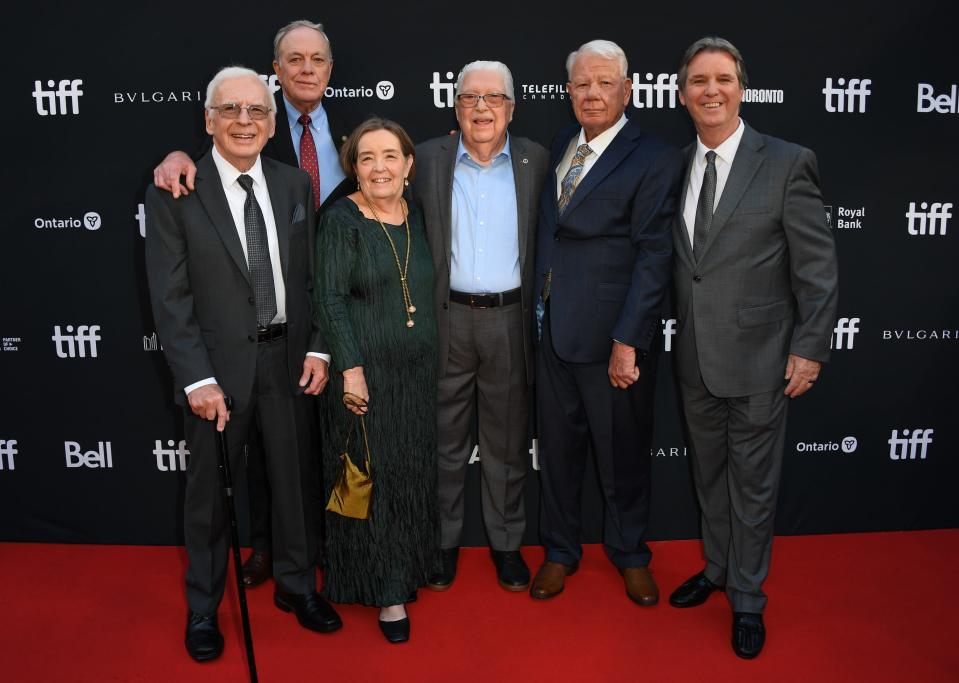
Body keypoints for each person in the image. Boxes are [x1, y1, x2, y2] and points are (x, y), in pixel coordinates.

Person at [144, 67, 342, 663]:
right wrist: (196, 378)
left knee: (294, 484)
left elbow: (310, 280)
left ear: (273, 122)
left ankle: (297, 587)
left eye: (257, 112)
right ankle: (203, 608)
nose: (245, 122)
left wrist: (318, 345)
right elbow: (169, 297)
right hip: (216, 371)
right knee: (207, 498)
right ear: (209, 119)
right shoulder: (177, 188)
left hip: (288, 359)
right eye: (231, 110)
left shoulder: (292, 185)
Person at [667, 37, 838, 659]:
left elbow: (817, 269)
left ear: (742, 88)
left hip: (764, 359)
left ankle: (747, 597)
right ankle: (716, 569)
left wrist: (810, 347)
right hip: (694, 359)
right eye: (699, 82)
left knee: (754, 486)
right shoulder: (676, 164)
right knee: (709, 478)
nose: (711, 91)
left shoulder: (788, 162)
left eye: (723, 80)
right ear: (682, 94)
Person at [531, 40, 682, 605]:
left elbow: (653, 256)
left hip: (611, 339)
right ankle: (560, 551)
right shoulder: (562, 144)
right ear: (568, 92)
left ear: (627, 89)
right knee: (559, 454)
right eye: (581, 85)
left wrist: (628, 341)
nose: (591, 94)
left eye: (603, 83)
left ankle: (630, 553)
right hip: (550, 332)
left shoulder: (655, 157)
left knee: (621, 454)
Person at [413, 61, 548, 592]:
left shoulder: (537, 160)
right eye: (470, 98)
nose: (482, 108)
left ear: (512, 108)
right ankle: (443, 545)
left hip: (510, 321)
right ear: (456, 106)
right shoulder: (424, 158)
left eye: (494, 98)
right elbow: (359, 178)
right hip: (446, 317)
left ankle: (507, 546)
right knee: (443, 441)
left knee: (507, 442)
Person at [313, 118, 440, 643]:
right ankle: (385, 592)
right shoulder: (341, 220)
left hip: (418, 374)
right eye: (367, 158)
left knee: (409, 472)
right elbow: (329, 299)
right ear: (355, 169)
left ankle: (409, 566)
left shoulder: (421, 216)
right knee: (372, 480)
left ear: (409, 166)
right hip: (364, 377)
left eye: (390, 156)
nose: (380, 167)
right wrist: (352, 369)